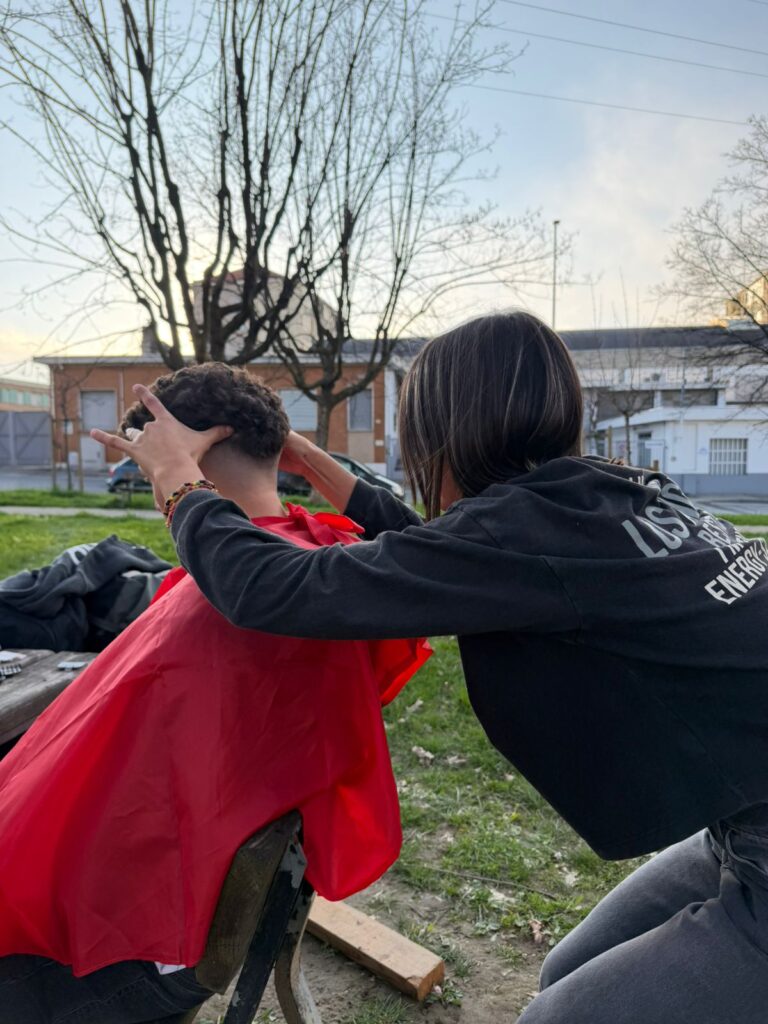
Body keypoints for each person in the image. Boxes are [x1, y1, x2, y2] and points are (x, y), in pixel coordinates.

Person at [93, 311, 768, 1023]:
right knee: (566, 969)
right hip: (737, 820)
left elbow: (275, 589)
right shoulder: (600, 493)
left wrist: (177, 481)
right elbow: (451, 556)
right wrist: (311, 461)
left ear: (447, 430)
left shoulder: (530, 532)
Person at [0, 364, 430, 1024]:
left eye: (152, 464)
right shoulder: (327, 569)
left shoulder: (241, 601)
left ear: (185, 455)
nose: (151, 484)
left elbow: (66, 820)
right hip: (190, 909)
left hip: (132, 949)